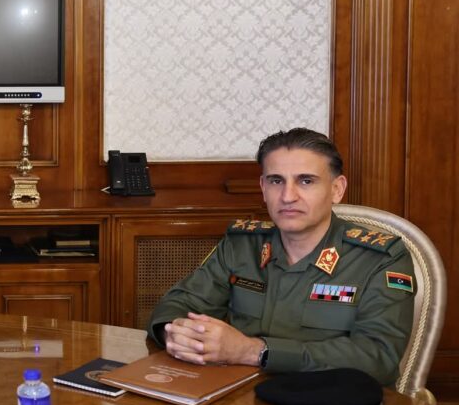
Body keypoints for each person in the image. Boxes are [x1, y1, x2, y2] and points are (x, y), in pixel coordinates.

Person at [149, 128, 415, 387]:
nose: (288, 196)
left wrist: (255, 351)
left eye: (306, 181)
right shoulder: (242, 245)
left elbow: (378, 356)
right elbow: (179, 304)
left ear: (337, 189)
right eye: (276, 181)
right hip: (242, 398)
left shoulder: (381, 258)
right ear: (263, 188)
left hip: (333, 402)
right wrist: (176, 334)